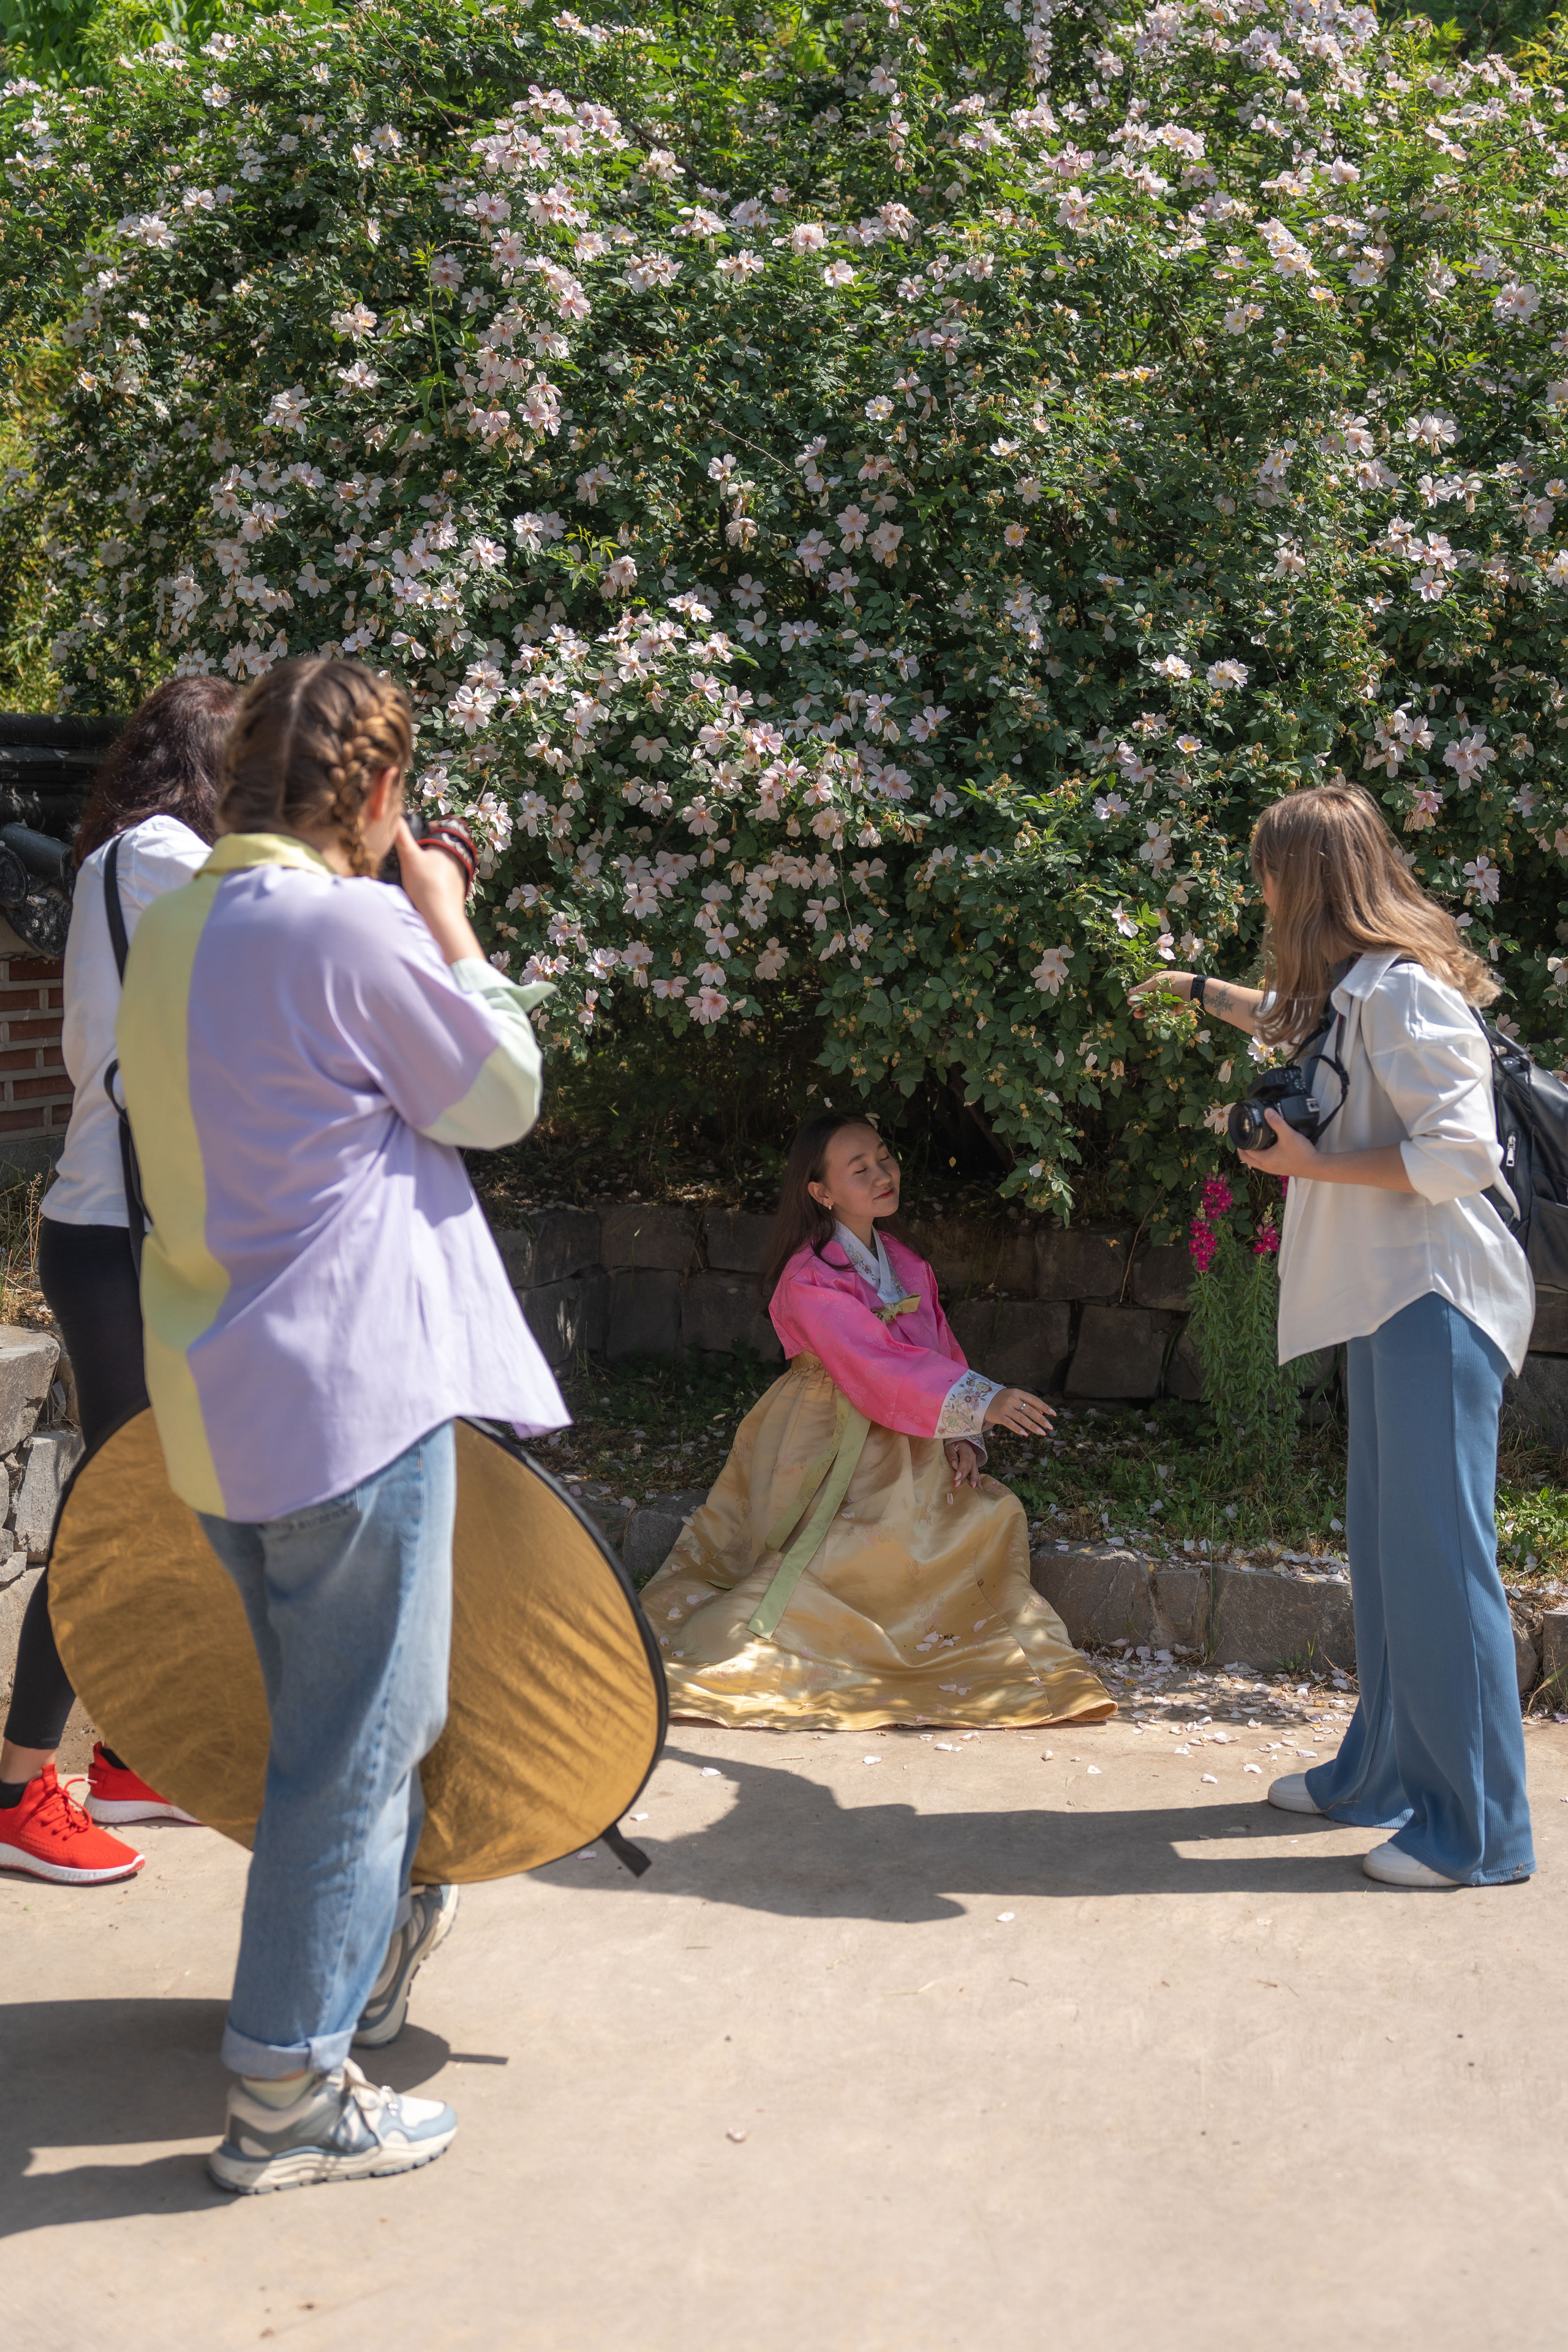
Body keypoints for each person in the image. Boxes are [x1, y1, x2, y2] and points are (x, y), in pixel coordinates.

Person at [116, 656, 567, 2193]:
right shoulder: (354, 919)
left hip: (215, 1406)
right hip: (349, 1402)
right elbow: (499, 1089)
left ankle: (339, 1988)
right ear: (377, 797)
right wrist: (445, 909)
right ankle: (292, 2085)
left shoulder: (174, 926)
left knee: (341, 1736)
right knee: (354, 1751)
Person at [1131, 782, 1536, 1891]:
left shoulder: (1406, 998)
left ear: (1299, 881)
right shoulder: (1347, 994)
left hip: (1435, 1300)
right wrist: (1189, 988)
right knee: (1389, 1558)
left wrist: (1309, 1166)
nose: (1257, 887)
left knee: (1443, 1569)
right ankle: (1388, 1772)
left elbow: (1463, 1158)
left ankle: (1479, 1832)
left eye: (1266, 869)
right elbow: (1280, 1016)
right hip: (1386, 1301)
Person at [637, 1112, 1113, 1729]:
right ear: (821, 1192)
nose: (882, 1174)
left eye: (883, 1158)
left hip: (904, 1430)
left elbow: (934, 1347)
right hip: (825, 1435)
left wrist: (962, 1433)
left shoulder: (906, 1264)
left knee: (986, 1516)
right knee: (828, 1550)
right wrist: (983, 1399)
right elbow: (871, 1363)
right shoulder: (809, 1276)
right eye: (858, 1170)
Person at [0, 676, 239, 1888]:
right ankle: (16, 1780)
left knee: (165, 1497)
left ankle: (133, 1754)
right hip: (116, 1236)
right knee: (115, 1506)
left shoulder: (129, 862)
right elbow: (267, 941)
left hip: (130, 1231)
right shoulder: (156, 855)